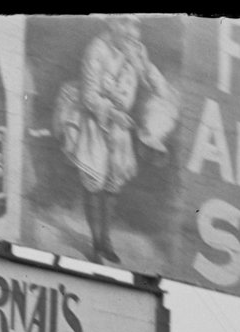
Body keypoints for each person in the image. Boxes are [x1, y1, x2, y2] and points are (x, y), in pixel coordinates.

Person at [56, 16, 174, 265]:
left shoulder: (136, 51)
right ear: (112, 24)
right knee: (94, 182)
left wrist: (161, 90)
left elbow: (152, 78)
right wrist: (112, 113)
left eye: (135, 26)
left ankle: (106, 241)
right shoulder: (96, 50)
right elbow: (89, 96)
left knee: (112, 185)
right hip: (94, 124)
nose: (131, 31)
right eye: (125, 24)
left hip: (119, 128)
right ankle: (96, 242)